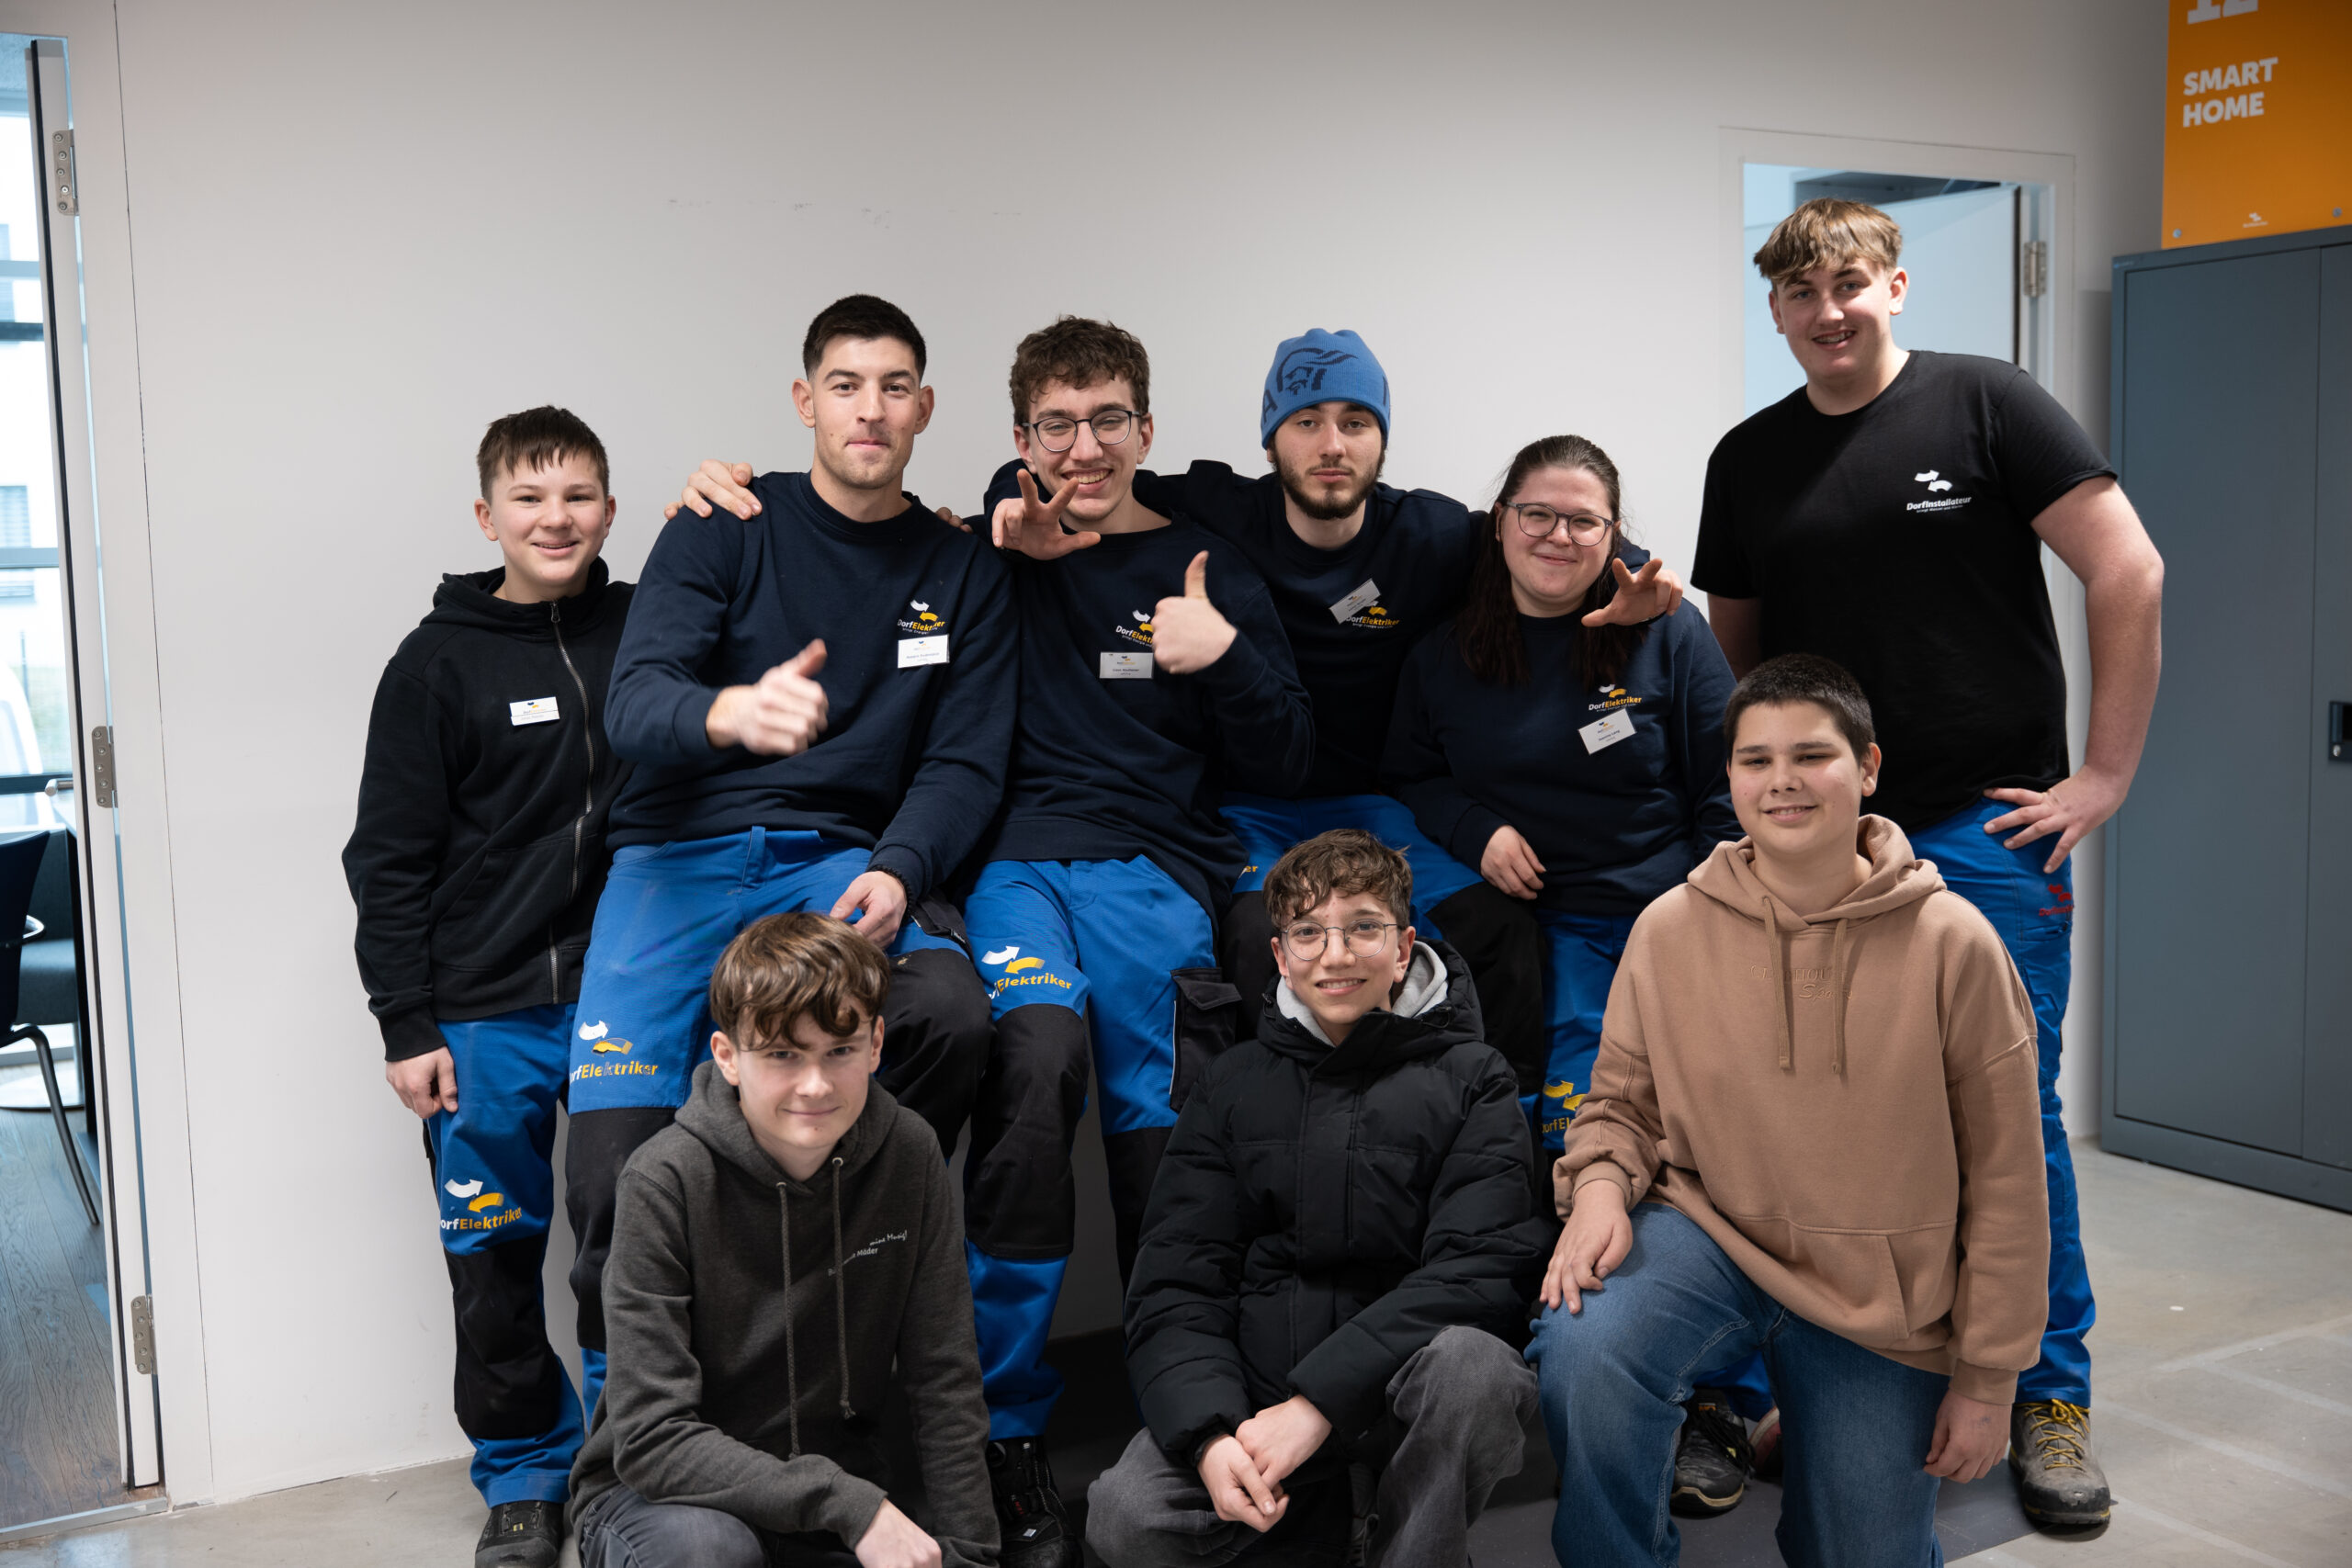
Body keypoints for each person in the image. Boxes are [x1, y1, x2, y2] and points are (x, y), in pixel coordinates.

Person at [671, 328, 1689, 1090]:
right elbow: (1062, 476)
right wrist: (996, 504)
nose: (1330, 445)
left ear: (1383, 436)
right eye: (1305, 423)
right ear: (1270, 439)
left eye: (1354, 422)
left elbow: (1551, 530)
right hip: (1237, 819)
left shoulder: (1428, 533)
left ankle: (1482, 1142)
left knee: (1495, 934)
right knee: (1253, 958)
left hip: (1376, 805)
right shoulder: (1217, 512)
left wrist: (1640, 571)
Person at [1694, 197, 2165, 1527]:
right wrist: (1778, 799)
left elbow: (2129, 572)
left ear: (1894, 285)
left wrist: (2106, 775)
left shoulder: (1989, 405)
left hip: (1990, 826)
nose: (1827, 311)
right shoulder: (1752, 459)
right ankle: (1833, 1372)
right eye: (1799, 294)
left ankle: (2048, 1395)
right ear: (1775, 312)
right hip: (1822, 841)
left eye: (1848, 284)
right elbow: (1743, 654)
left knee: (2008, 1124)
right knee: (1825, 1111)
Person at [565, 295, 1012, 1434]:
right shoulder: (724, 523)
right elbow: (636, 700)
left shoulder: (960, 570)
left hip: (832, 865)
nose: (871, 409)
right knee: (612, 1156)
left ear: (925, 408)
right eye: (847, 385)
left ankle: (835, 1334)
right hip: (675, 863)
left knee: (953, 1013)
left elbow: (963, 762)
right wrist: (731, 713)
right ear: (806, 400)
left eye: (894, 386)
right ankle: (629, 1433)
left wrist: (905, 868)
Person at [1528, 654, 2050, 1568]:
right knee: (1587, 1344)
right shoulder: (1669, 929)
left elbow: (2010, 1180)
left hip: (1885, 1299)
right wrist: (1603, 1188)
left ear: (1869, 768)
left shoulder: (1955, 946)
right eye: (1755, 760)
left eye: (1811, 756)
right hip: (1712, 1238)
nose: (1782, 783)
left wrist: (1988, 1380)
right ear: (1727, 777)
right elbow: (1616, 1103)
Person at [942, 316, 1314, 1567]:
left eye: (1109, 419)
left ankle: (1185, 1412)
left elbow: (1286, 747)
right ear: (1021, 438)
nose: (1084, 445)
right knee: (1032, 1064)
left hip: (1155, 872)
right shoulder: (1006, 542)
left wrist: (1224, 659)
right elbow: (994, 518)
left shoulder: (1206, 560)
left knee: (1168, 1145)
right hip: (1011, 869)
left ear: (1149, 430)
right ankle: (1005, 1428)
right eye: (1056, 423)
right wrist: (1011, 510)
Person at [1088, 829, 1546, 1568]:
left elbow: (1480, 1271)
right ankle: (1330, 1531)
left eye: (1363, 926)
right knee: (1124, 1515)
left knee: (1476, 1369)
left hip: (1398, 1401)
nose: (1335, 955)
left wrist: (1319, 1405)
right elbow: (1176, 1282)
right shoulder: (1230, 1084)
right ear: (1280, 956)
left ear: (1402, 948)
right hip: (1260, 1409)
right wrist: (1211, 1437)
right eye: (1308, 932)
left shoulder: (1475, 1076)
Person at [343, 406, 631, 1568]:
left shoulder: (648, 630)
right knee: (494, 1251)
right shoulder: (435, 663)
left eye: (576, 497)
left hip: (626, 998)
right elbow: (388, 857)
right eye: (529, 498)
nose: (554, 519)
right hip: (482, 1005)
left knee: (632, 1238)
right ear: (487, 516)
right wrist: (404, 1021)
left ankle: (627, 1459)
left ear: (609, 510)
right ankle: (524, 1473)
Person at [569, 912, 997, 1568]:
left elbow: (944, 1374)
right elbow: (652, 1438)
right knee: (709, 1554)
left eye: (840, 1050)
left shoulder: (910, 1153)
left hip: (834, 1489)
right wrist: (850, 1505)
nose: (815, 1084)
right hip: (666, 1499)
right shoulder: (663, 1179)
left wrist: (973, 1556)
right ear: (727, 1058)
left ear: (877, 1044)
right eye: (781, 1054)